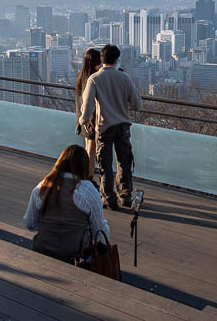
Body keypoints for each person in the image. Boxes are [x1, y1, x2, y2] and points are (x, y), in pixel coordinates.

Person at [79, 44, 142, 211]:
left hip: (104, 127)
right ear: (116, 60)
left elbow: (87, 106)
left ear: (102, 59)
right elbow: (137, 104)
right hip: (123, 126)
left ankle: (109, 198)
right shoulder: (125, 78)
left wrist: (83, 121)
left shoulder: (94, 79)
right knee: (124, 162)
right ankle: (126, 195)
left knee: (105, 165)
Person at [24, 145, 110, 262]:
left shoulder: (42, 187)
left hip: (42, 250)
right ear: (83, 166)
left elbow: (29, 223)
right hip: (75, 256)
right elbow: (99, 232)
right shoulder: (87, 190)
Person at [75, 48, 101, 178]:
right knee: (91, 151)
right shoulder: (92, 79)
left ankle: (85, 175)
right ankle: (88, 178)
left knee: (88, 148)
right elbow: (90, 102)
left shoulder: (82, 76)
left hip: (83, 118)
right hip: (90, 119)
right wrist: (90, 120)